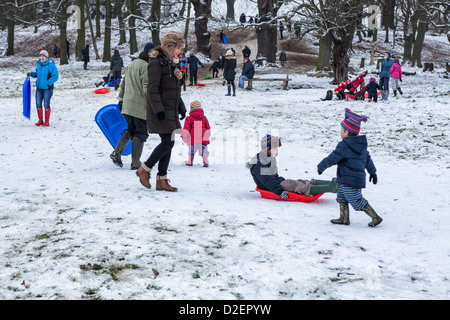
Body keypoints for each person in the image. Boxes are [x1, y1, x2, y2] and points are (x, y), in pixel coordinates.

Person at [136, 32, 187, 192]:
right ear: (171, 48)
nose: (180, 52)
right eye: (179, 49)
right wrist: (158, 110)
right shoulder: (156, 63)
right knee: (168, 142)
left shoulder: (171, 63)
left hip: (170, 109)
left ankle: (162, 180)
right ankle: (145, 168)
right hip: (160, 110)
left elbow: (173, 90)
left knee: (169, 141)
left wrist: (181, 107)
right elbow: (152, 90)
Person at [317, 108, 382, 227]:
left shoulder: (344, 145)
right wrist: (373, 172)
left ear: (346, 132)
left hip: (350, 181)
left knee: (356, 201)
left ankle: (375, 217)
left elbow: (333, 158)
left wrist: (321, 166)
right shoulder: (360, 146)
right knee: (341, 196)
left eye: (341, 130)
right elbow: (367, 159)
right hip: (347, 179)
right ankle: (344, 218)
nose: (340, 132)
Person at [110, 43, 155, 170]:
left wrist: (121, 99)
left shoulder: (133, 63)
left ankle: (117, 152)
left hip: (128, 105)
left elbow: (123, 83)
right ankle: (136, 162)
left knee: (130, 129)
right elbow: (147, 86)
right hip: (139, 106)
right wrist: (152, 103)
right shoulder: (146, 66)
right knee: (140, 133)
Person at [247, 135, 338, 198]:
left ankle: (333, 182)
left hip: (277, 182)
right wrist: (280, 192)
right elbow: (267, 180)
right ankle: (331, 187)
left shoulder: (268, 157)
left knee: (301, 182)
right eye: (275, 148)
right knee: (299, 187)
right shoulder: (259, 163)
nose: (276, 151)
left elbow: (272, 177)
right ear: (267, 149)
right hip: (272, 187)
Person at [29, 50, 59, 127]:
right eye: (41, 56)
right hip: (39, 88)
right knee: (38, 103)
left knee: (46, 104)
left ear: (46, 56)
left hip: (47, 89)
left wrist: (47, 83)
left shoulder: (51, 65)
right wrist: (31, 74)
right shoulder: (38, 65)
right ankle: (40, 120)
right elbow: (38, 75)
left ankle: (47, 121)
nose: (42, 57)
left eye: (43, 56)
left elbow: (55, 76)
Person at [181, 100, 211, 167]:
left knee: (192, 149)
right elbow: (208, 127)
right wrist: (207, 134)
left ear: (191, 109)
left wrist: (184, 136)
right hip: (203, 137)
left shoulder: (189, 118)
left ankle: (190, 161)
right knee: (204, 149)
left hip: (193, 137)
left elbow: (186, 128)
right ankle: (205, 161)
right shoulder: (204, 118)